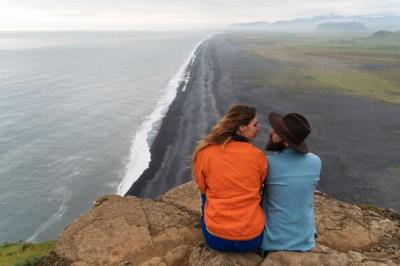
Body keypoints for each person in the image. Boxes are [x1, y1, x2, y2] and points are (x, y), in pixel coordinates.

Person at [192, 104, 267, 252]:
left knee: (205, 194)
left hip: (216, 239)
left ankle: (215, 221)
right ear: (241, 128)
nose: (258, 128)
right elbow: (259, 184)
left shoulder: (205, 152)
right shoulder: (257, 155)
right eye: (255, 124)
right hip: (251, 240)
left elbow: (202, 186)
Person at [260, 112, 321, 254]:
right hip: (305, 241)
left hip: (273, 243)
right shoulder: (316, 162)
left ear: (286, 141)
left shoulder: (268, 164)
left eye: (276, 131)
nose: (270, 132)